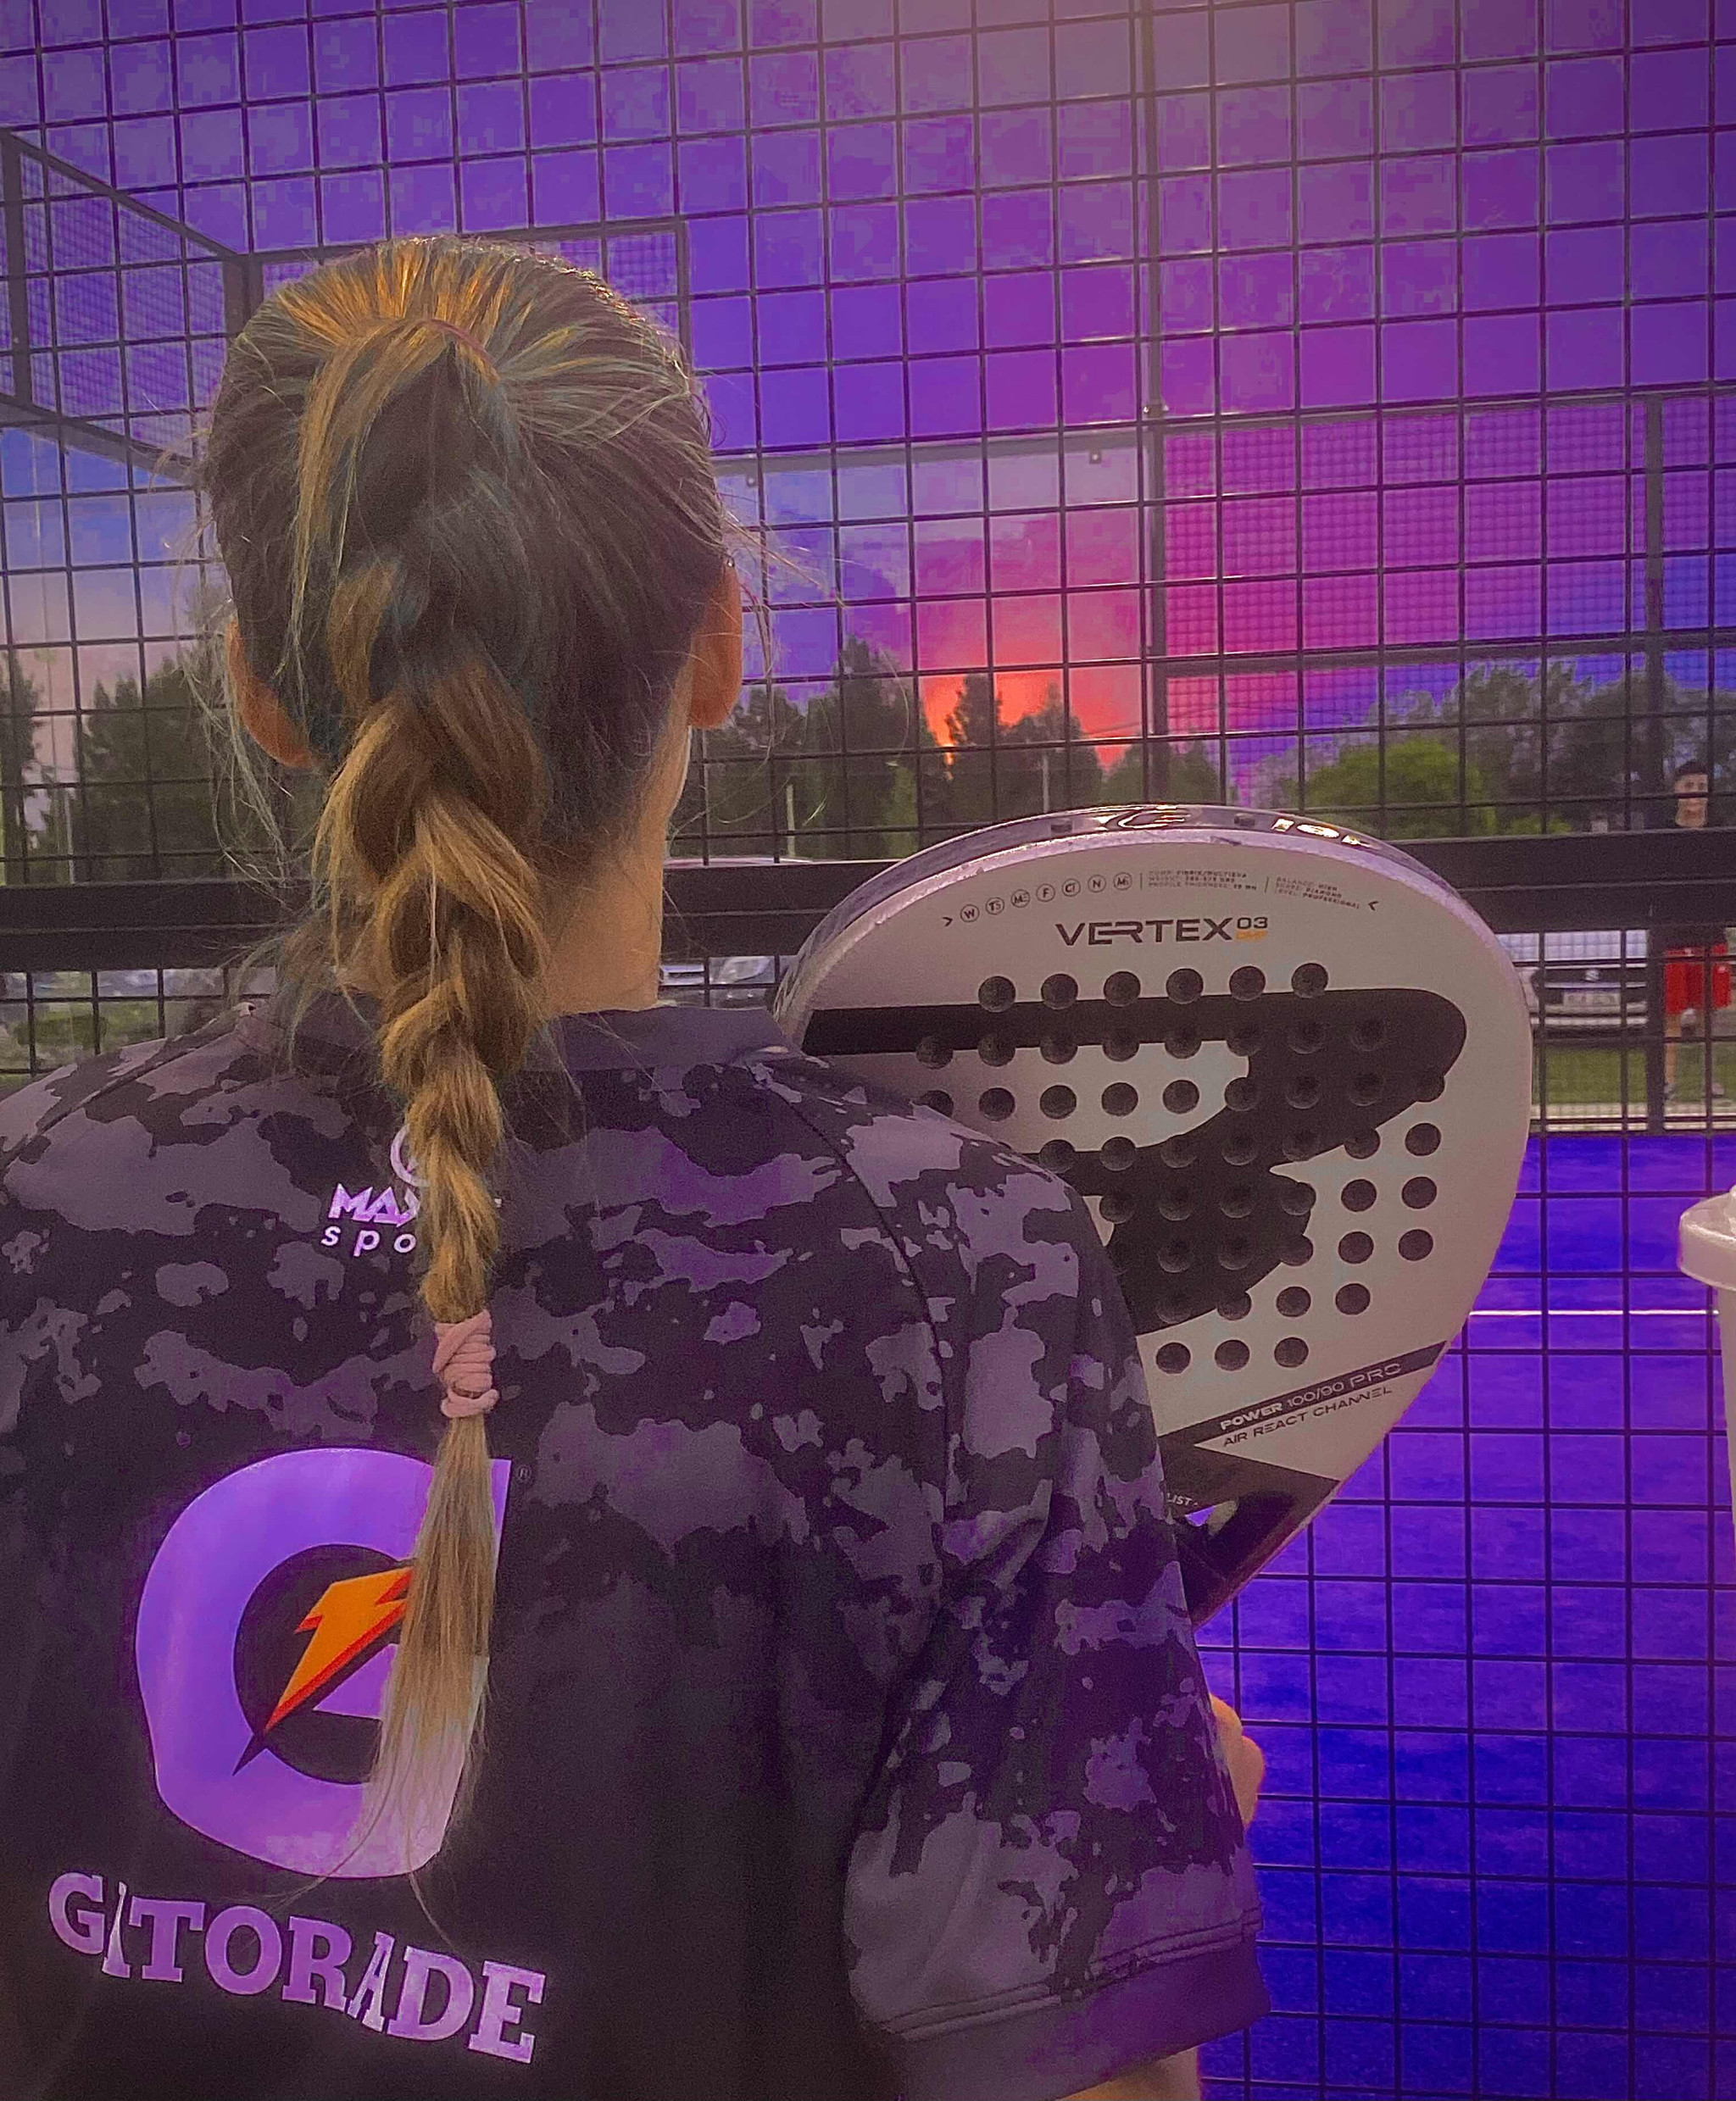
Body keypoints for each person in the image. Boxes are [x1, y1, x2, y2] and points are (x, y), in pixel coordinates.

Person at [0, 237, 1266, 2100]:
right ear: (720, 646)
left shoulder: (38, 1191)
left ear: (262, 688)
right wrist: (1121, 1834)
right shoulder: (949, 1262)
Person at [1657, 765, 1730, 1102]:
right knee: (1671, 1015)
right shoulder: (1664, 835)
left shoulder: (1720, 834)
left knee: (1707, 1016)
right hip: (1673, 938)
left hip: (1710, 936)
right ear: (1677, 790)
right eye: (1689, 785)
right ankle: (1667, 1082)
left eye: (1702, 785)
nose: (1696, 793)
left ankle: (1709, 1082)